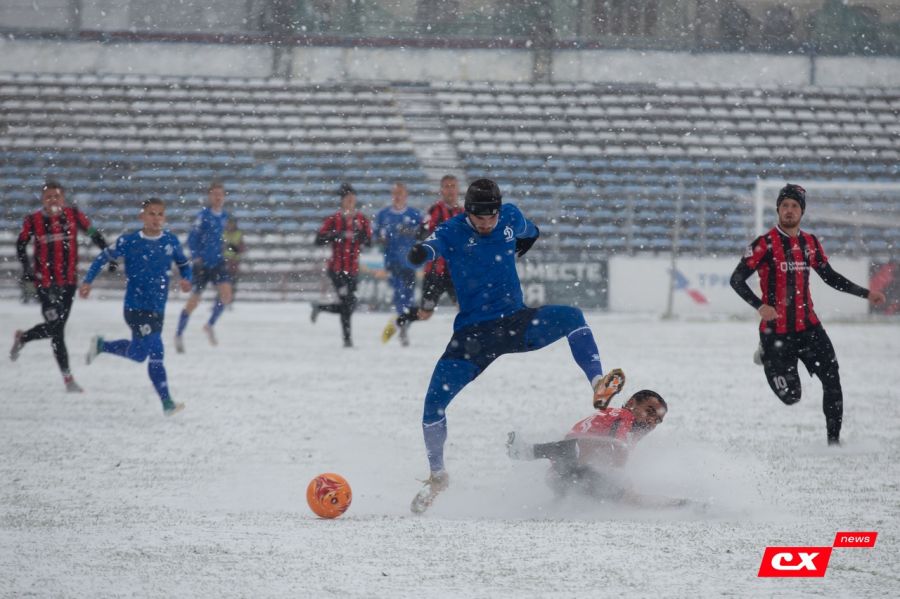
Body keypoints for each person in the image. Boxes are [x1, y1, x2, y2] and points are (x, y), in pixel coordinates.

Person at [408, 178, 626, 514]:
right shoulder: (451, 230)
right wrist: (419, 252)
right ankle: (438, 475)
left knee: (572, 316)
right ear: (468, 213)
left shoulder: (509, 216)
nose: (487, 224)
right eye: (480, 218)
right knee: (432, 407)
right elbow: (430, 247)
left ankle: (598, 383)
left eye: (491, 217)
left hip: (516, 323)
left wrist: (520, 245)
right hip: (473, 337)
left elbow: (531, 231)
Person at [730, 183, 886, 446]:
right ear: (778, 209)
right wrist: (760, 306)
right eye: (785, 206)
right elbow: (736, 280)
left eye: (794, 206)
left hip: (809, 327)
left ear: (802, 211)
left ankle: (834, 443)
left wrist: (865, 294)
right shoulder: (764, 244)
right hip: (776, 332)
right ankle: (767, 353)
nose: (789, 210)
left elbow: (830, 277)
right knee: (792, 396)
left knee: (833, 380)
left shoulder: (810, 243)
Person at [79, 198, 192, 416]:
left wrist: (187, 279)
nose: (156, 218)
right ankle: (167, 402)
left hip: (158, 308)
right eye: (151, 213)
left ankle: (102, 346)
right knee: (157, 350)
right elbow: (102, 257)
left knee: (139, 354)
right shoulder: (130, 241)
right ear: (142, 216)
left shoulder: (170, 241)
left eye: (160, 214)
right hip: (135, 308)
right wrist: (87, 281)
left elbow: (184, 265)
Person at [506, 389, 688, 508]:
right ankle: (527, 451)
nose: (652, 420)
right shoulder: (624, 415)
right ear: (632, 403)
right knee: (583, 450)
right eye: (649, 411)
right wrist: (620, 476)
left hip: (563, 477)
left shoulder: (626, 431)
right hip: (572, 464)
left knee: (627, 500)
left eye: (657, 420)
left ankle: (679, 505)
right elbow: (616, 444)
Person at [10, 180, 112, 392]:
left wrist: (108, 254)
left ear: (63, 198)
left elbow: (94, 233)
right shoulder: (33, 220)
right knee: (57, 331)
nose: (53, 200)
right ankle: (68, 380)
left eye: (57, 196)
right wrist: (27, 269)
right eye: (49, 197)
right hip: (45, 282)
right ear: (43, 200)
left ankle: (24, 337)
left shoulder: (74, 215)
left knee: (57, 328)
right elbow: (21, 244)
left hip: (68, 282)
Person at [382, 174, 463, 344]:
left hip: (455, 272)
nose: (450, 190)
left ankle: (466, 342)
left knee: (464, 308)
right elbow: (422, 232)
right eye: (447, 186)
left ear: (458, 189)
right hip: (435, 271)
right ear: (441, 190)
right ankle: (400, 321)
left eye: (453, 186)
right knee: (425, 314)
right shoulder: (435, 211)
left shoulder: (463, 213)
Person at [310, 183, 372, 348]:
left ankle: (321, 307)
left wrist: (362, 236)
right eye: (348, 198)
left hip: (353, 269)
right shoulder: (333, 220)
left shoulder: (362, 220)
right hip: (337, 269)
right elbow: (318, 240)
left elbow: (370, 242)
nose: (351, 201)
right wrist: (335, 235)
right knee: (347, 302)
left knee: (349, 304)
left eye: (353, 198)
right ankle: (347, 339)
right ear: (342, 200)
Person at [174, 181, 232, 352]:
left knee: (226, 295)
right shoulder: (203, 216)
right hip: (202, 264)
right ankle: (178, 333)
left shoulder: (225, 216)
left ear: (224, 196)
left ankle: (210, 325)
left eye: (220, 194)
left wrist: (228, 248)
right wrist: (196, 256)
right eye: (215, 194)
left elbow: (224, 237)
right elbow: (192, 238)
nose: (218, 197)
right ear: (210, 196)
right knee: (194, 301)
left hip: (218, 262)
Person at [374, 182, 422, 346]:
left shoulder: (414, 214)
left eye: (400, 193)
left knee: (408, 296)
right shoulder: (383, 215)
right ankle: (402, 327)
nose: (398, 196)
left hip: (410, 262)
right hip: (392, 262)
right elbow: (376, 237)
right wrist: (381, 238)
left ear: (406, 195)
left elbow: (422, 234)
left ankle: (402, 323)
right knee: (399, 293)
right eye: (395, 193)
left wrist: (411, 232)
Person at [221, 217, 246, 306]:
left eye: (231, 223)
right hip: (224, 261)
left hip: (234, 261)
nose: (230, 225)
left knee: (233, 282)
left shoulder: (239, 234)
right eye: (229, 223)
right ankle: (221, 301)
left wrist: (232, 248)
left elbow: (242, 247)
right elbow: (221, 246)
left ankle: (230, 301)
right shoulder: (223, 233)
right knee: (222, 282)